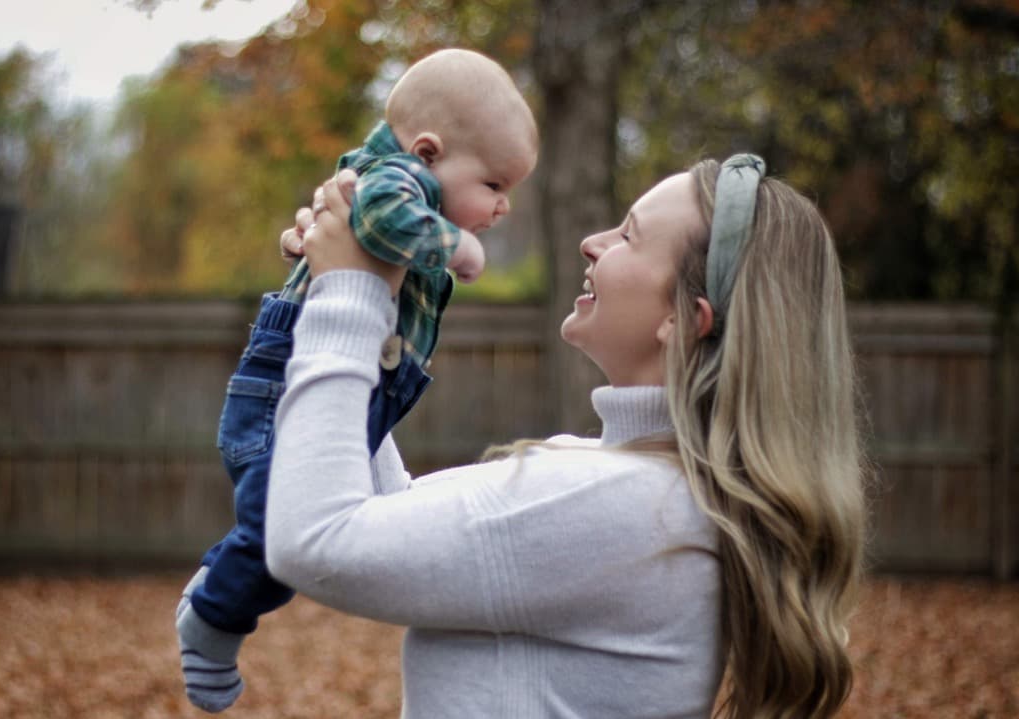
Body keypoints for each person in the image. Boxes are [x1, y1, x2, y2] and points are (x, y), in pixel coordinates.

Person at [264, 155, 867, 717]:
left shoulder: (629, 507)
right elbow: (388, 518)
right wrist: (353, 295)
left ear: (682, 319)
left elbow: (317, 540)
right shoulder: (641, 493)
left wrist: (348, 297)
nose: (592, 242)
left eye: (628, 236)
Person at [175, 48, 539, 713]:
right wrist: (457, 247)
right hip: (290, 381)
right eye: (493, 185)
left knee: (311, 533)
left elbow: (349, 214)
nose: (503, 205)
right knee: (282, 539)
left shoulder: (387, 176)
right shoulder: (403, 183)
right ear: (429, 153)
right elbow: (380, 214)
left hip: (351, 388)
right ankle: (212, 618)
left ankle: (215, 581)